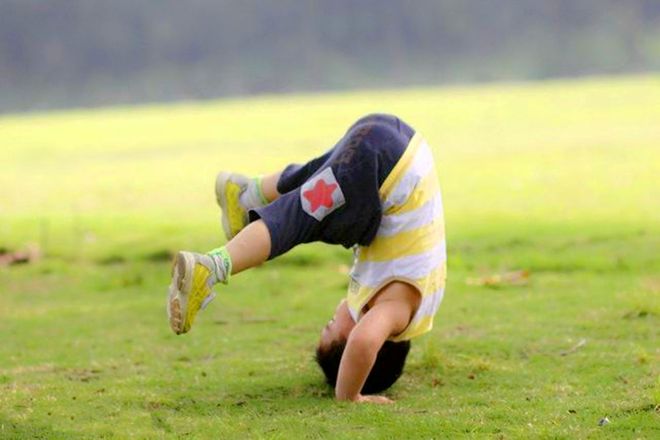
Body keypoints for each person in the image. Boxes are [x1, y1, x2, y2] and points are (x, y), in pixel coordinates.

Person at [167, 114, 446, 403]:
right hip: (387, 169)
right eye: (330, 326)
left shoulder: (412, 292)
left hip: (395, 137)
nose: (332, 317)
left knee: (322, 189)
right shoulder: (397, 312)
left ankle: (250, 192)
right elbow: (364, 342)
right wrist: (350, 395)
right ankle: (210, 268)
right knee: (299, 218)